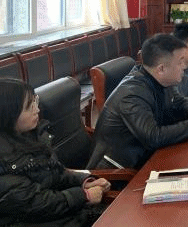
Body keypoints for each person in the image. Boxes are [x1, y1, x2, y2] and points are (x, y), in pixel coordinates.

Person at [87, 34, 188, 170]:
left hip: (148, 157)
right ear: (161, 69)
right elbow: (154, 137)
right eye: (180, 62)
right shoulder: (132, 95)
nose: (184, 66)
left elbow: (179, 103)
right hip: (119, 172)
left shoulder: (161, 80)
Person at [0, 78, 111, 227]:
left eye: (35, 101)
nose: (37, 109)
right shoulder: (4, 163)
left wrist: (85, 182)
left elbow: (55, 172)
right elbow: (35, 204)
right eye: (29, 107)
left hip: (62, 214)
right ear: (8, 115)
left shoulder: (30, 136)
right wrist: (84, 196)